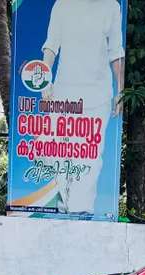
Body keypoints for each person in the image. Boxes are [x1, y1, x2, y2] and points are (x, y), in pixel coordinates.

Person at [40, 0, 124, 216]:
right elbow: (51, 46)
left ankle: (81, 212)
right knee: (59, 153)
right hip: (64, 95)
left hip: (98, 96)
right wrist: (44, 80)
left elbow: (116, 52)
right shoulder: (62, 5)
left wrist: (121, 91)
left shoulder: (111, 7)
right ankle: (62, 207)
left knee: (91, 156)